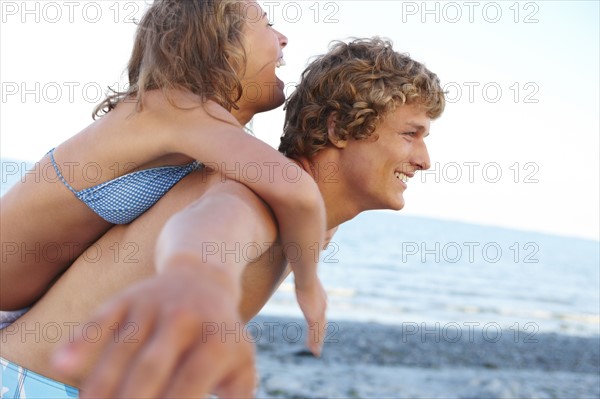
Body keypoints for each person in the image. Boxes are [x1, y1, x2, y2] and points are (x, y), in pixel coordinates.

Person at [0, 37, 445, 398]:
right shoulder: (260, 193)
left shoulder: (312, 221)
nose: (423, 160)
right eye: (410, 135)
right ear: (337, 128)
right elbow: (215, 225)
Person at [0, 0, 328, 356]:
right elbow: (297, 190)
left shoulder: (195, 136)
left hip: (26, 317)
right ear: (221, 45)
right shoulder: (174, 108)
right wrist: (308, 285)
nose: (283, 38)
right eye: (266, 25)